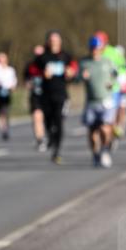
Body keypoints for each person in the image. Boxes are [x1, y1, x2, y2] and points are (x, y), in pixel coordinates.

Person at [35, 31, 78, 164]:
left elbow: (75, 71)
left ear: (60, 41)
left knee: (59, 122)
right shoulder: (42, 57)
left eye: (56, 40)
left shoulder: (66, 56)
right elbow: (32, 72)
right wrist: (43, 74)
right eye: (51, 40)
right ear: (48, 42)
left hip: (61, 94)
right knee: (48, 122)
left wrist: (71, 73)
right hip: (46, 94)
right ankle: (51, 138)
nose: (54, 42)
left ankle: (57, 151)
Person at [79, 35, 117, 167]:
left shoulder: (107, 61)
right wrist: (82, 77)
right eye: (93, 48)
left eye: (98, 48)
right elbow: (77, 79)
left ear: (101, 49)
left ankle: (105, 151)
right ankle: (95, 154)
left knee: (105, 128)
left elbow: (115, 75)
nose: (95, 50)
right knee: (92, 131)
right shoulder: (84, 62)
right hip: (91, 102)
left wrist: (112, 83)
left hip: (106, 101)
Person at [23, 44, 46, 150]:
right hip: (36, 95)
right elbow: (26, 80)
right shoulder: (30, 66)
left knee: (48, 119)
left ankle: (50, 135)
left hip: (49, 96)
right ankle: (40, 139)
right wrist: (29, 84)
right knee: (37, 117)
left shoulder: (48, 64)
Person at [0, 52, 18, 141]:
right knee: (1, 112)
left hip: (7, 93)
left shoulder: (10, 70)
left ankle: (6, 128)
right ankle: (3, 129)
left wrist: (12, 86)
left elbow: (14, 81)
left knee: (6, 111)